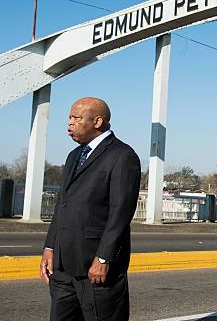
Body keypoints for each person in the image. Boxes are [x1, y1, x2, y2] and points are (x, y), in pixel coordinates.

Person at [40, 97, 141, 320]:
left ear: (97, 121)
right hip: (64, 268)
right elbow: (63, 205)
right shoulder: (73, 156)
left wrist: (103, 259)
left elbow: (120, 214)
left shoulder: (122, 156)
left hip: (95, 268)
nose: (69, 123)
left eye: (76, 118)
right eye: (69, 117)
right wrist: (50, 247)